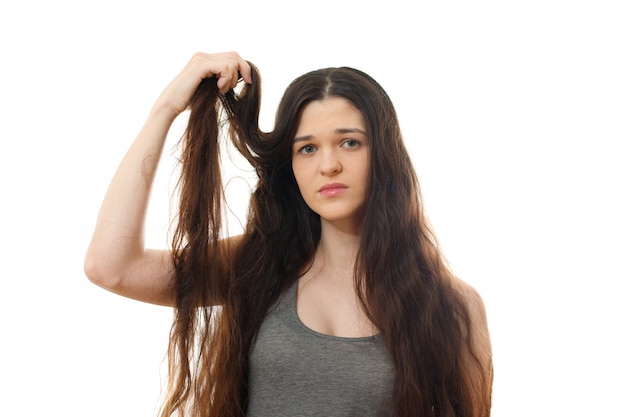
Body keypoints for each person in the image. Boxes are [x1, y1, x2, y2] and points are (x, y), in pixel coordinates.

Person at [84, 51, 493, 417]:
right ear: (291, 165)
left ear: (384, 154)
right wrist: (165, 109)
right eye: (307, 148)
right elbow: (111, 266)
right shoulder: (257, 265)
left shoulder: (453, 307)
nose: (328, 165)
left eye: (349, 142)